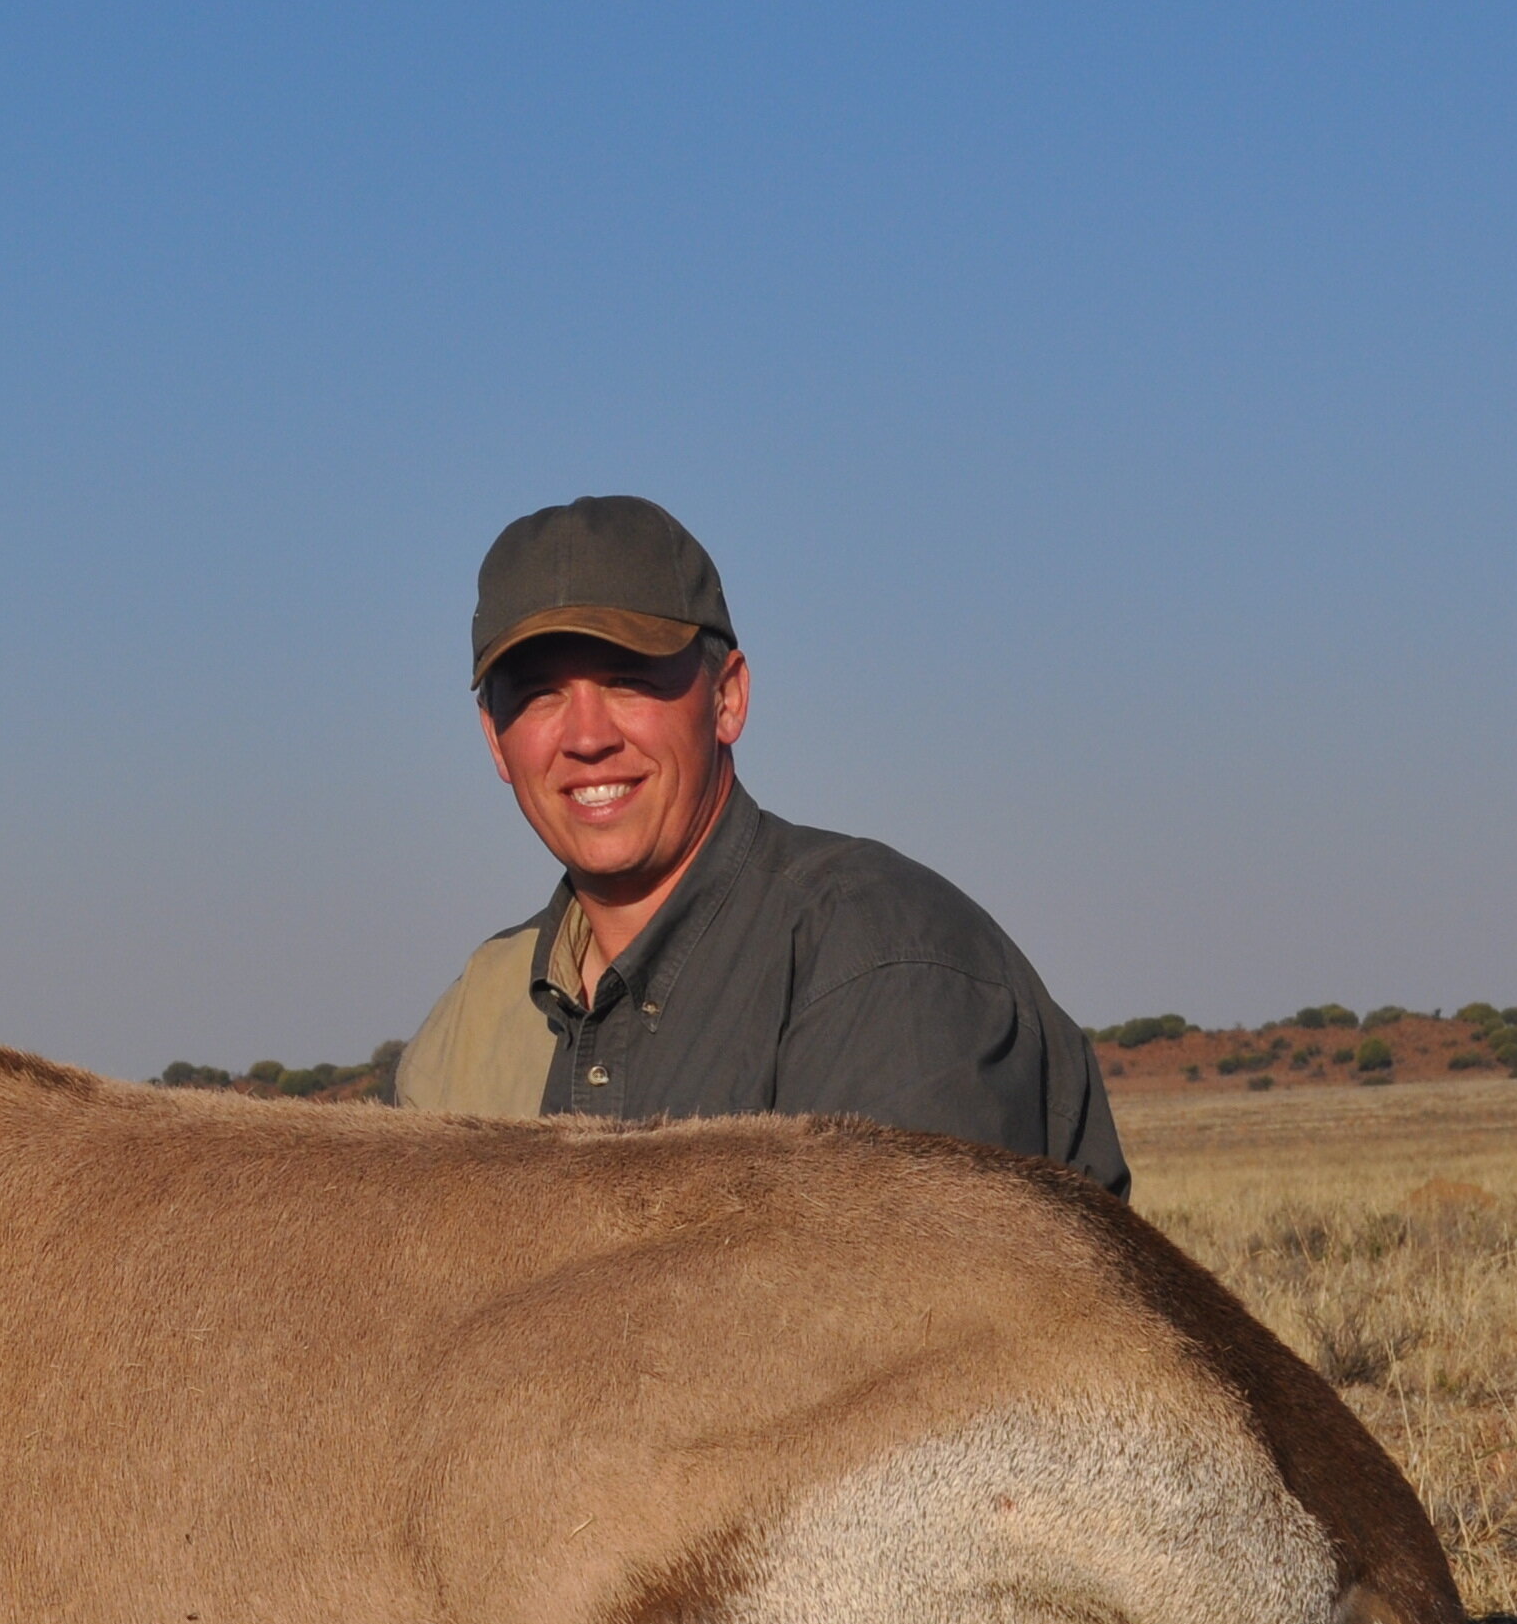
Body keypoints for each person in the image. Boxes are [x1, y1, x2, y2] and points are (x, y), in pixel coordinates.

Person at [390, 494, 1129, 1195]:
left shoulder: (878, 958)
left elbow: (905, 1317)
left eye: (627, 680)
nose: (587, 738)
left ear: (728, 698)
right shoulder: (469, 1027)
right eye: (540, 694)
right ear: (496, 741)